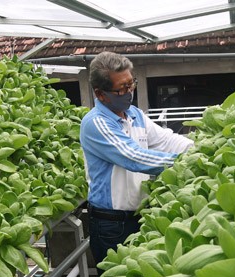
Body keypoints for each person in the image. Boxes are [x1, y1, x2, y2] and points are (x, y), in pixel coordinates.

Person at [80, 51, 194, 265]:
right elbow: (134, 158)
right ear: (100, 93)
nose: (129, 92)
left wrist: (198, 150)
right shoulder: (95, 123)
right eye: (121, 89)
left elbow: (167, 140)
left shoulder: (135, 115)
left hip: (139, 215)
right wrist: (185, 162)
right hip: (112, 224)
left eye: (131, 84)